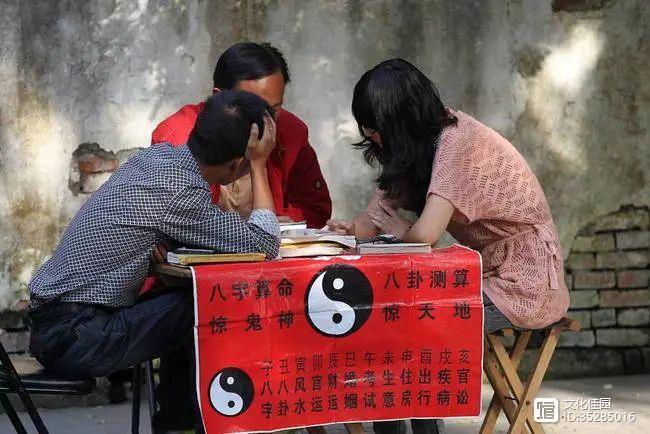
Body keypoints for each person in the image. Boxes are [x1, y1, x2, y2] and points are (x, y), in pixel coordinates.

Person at [328, 58, 570, 434]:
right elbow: (370, 221)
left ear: (398, 120)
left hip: (526, 285)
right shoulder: (419, 147)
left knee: (415, 327)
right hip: (483, 275)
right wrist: (343, 233)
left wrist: (399, 229)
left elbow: (424, 236)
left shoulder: (458, 144)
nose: (371, 136)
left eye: (375, 128)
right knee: (391, 320)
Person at [27, 90, 280, 433]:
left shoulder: (156, 159)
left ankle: (178, 423)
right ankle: (183, 425)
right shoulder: (181, 193)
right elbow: (264, 245)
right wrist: (261, 167)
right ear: (236, 165)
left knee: (192, 304)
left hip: (54, 326)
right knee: (211, 306)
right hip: (78, 338)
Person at [152, 41, 332, 228]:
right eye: (254, 107)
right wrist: (248, 227)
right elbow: (169, 217)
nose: (266, 119)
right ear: (219, 97)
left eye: (274, 109)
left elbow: (317, 209)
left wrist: (281, 220)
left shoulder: (291, 131)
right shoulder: (177, 138)